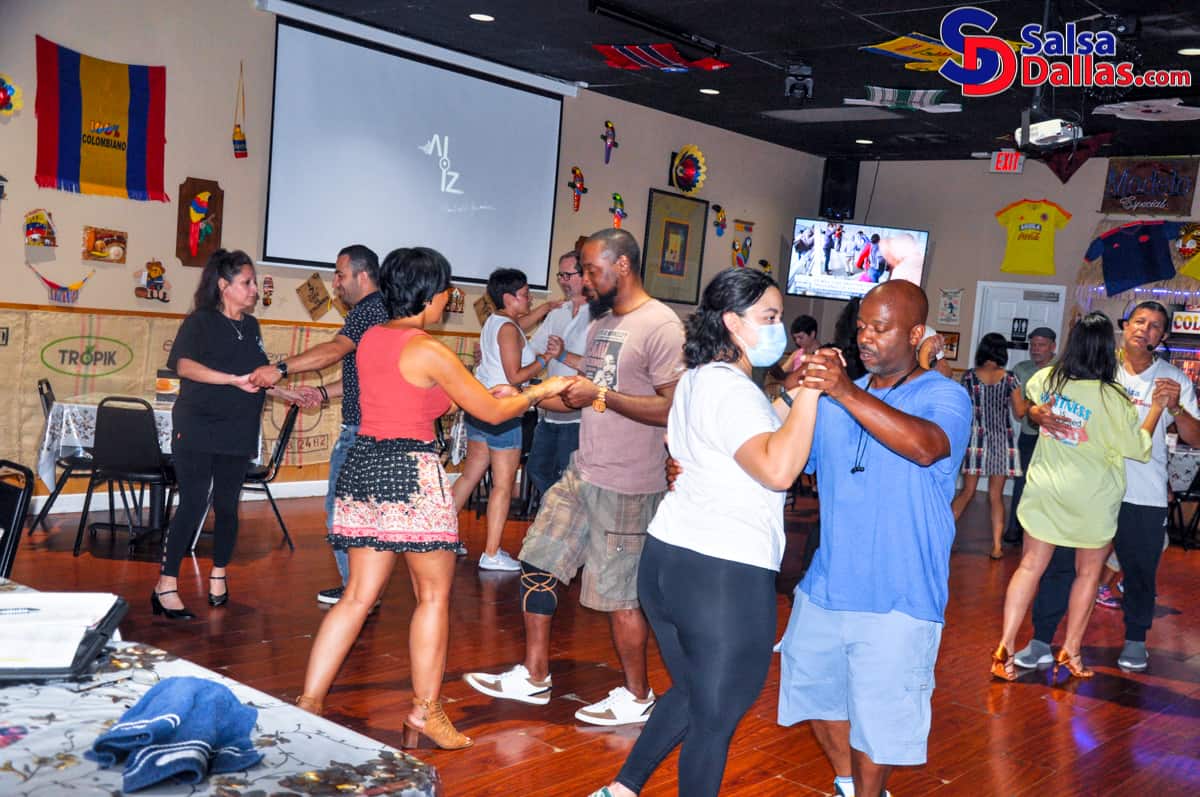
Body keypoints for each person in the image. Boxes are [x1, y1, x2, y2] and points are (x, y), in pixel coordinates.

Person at [295, 247, 569, 746]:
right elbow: (491, 408)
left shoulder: (370, 337)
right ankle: (425, 714)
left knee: (357, 596)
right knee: (433, 597)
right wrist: (540, 390)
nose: (450, 297)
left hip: (364, 466)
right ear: (429, 292)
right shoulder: (427, 349)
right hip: (410, 470)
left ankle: (309, 702)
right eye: (446, 289)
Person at [588, 268, 820, 797]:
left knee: (695, 693)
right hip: (722, 571)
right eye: (769, 317)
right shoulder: (730, 390)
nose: (777, 328)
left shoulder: (698, 377)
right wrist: (809, 391)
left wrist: (786, 397)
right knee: (715, 719)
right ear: (733, 323)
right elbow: (779, 469)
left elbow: (739, 434)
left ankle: (621, 790)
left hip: (669, 560)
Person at [463, 228, 685, 727]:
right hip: (583, 468)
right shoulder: (605, 320)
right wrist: (538, 393)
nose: (583, 281)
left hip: (628, 482)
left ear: (622, 265)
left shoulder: (662, 326)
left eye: (590, 269)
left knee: (619, 596)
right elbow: (596, 386)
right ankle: (535, 675)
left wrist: (598, 398)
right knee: (538, 557)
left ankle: (637, 694)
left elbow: (673, 408)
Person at [775, 280, 972, 797]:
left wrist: (844, 391)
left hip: (900, 594)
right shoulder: (837, 399)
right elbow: (785, 459)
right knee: (814, 696)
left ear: (915, 334)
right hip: (827, 586)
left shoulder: (943, 395)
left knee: (880, 722)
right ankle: (848, 785)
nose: (866, 337)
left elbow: (926, 447)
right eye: (862, 326)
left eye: (880, 328)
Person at [1013, 301, 1200, 673]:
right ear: (1124, 325)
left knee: (1140, 570)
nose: (1144, 329)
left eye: (1155, 326)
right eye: (1139, 321)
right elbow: (1038, 402)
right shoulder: (1096, 367)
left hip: (1141, 493)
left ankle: (1134, 641)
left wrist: (1176, 409)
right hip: (1086, 490)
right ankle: (1041, 641)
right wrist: (1037, 414)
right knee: (1060, 567)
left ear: (1162, 337)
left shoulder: (1173, 380)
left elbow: (1195, 439)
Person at [993, 312, 1159, 681]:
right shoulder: (1112, 398)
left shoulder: (1049, 377)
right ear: (1105, 349)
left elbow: (1028, 397)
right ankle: (1071, 652)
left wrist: (1037, 412)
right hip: (1092, 497)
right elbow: (1138, 448)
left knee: (1029, 567)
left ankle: (1003, 646)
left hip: (1046, 490)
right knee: (1087, 575)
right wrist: (1156, 411)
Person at [152, 249, 305, 619]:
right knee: (192, 501)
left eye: (253, 282)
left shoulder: (250, 327)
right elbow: (184, 367)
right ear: (224, 286)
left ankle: (219, 573)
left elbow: (256, 375)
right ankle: (165, 584)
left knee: (227, 505)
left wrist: (288, 392)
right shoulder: (199, 322)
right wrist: (231, 381)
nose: (254, 289)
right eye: (247, 282)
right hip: (198, 424)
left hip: (238, 430)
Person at [248, 245, 389, 605]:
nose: (335, 283)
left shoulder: (366, 311)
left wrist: (279, 368)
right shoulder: (386, 311)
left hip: (361, 433)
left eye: (340, 275)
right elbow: (364, 377)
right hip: (378, 430)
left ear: (362, 275)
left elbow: (334, 350)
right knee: (365, 514)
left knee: (340, 513)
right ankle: (364, 589)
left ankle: (357, 593)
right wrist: (324, 393)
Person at [450, 268, 564, 571]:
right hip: (503, 410)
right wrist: (545, 359)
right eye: (525, 294)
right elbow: (515, 375)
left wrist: (543, 310)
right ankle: (491, 552)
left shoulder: (497, 321)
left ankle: (442, 537)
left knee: (470, 475)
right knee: (502, 485)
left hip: (480, 407)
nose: (529, 298)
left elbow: (518, 324)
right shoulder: (509, 329)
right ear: (509, 297)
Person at [525, 250, 590, 498]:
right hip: (550, 413)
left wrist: (563, 355)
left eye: (568, 275)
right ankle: (557, 519)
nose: (563, 280)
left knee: (570, 478)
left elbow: (601, 367)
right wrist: (501, 354)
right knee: (538, 469)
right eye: (560, 275)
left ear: (585, 276)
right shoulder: (557, 313)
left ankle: (564, 524)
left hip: (578, 417)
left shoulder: (600, 315)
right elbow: (533, 351)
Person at [951, 332, 1022, 559]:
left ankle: (941, 536)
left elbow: (961, 408)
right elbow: (1020, 412)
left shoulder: (970, 377)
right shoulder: (1010, 379)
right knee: (996, 495)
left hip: (975, 437)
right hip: (1002, 439)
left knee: (967, 491)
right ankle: (996, 547)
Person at [1003, 326, 1057, 546]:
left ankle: (1044, 533)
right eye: (1033, 345)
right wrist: (1030, 405)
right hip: (1028, 435)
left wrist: (1029, 403)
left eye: (1041, 345)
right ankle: (1014, 529)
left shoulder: (1062, 370)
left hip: (1054, 438)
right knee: (1022, 482)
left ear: (1052, 347)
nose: (1035, 349)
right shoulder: (1020, 369)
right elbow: (1019, 410)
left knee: (1050, 485)